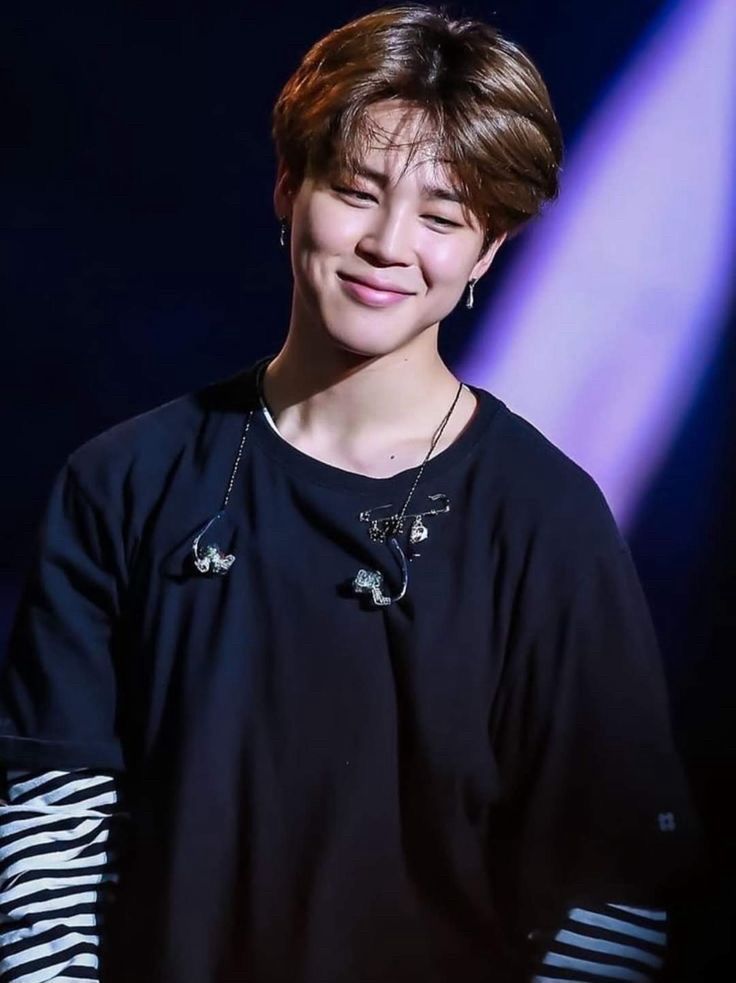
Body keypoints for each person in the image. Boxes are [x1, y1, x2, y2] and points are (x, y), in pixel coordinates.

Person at [0, 5, 700, 982]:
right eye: (357, 192)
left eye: (442, 217)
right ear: (289, 187)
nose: (388, 243)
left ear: (487, 250)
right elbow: (50, 836)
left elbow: (614, 879)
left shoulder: (546, 520)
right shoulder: (124, 482)